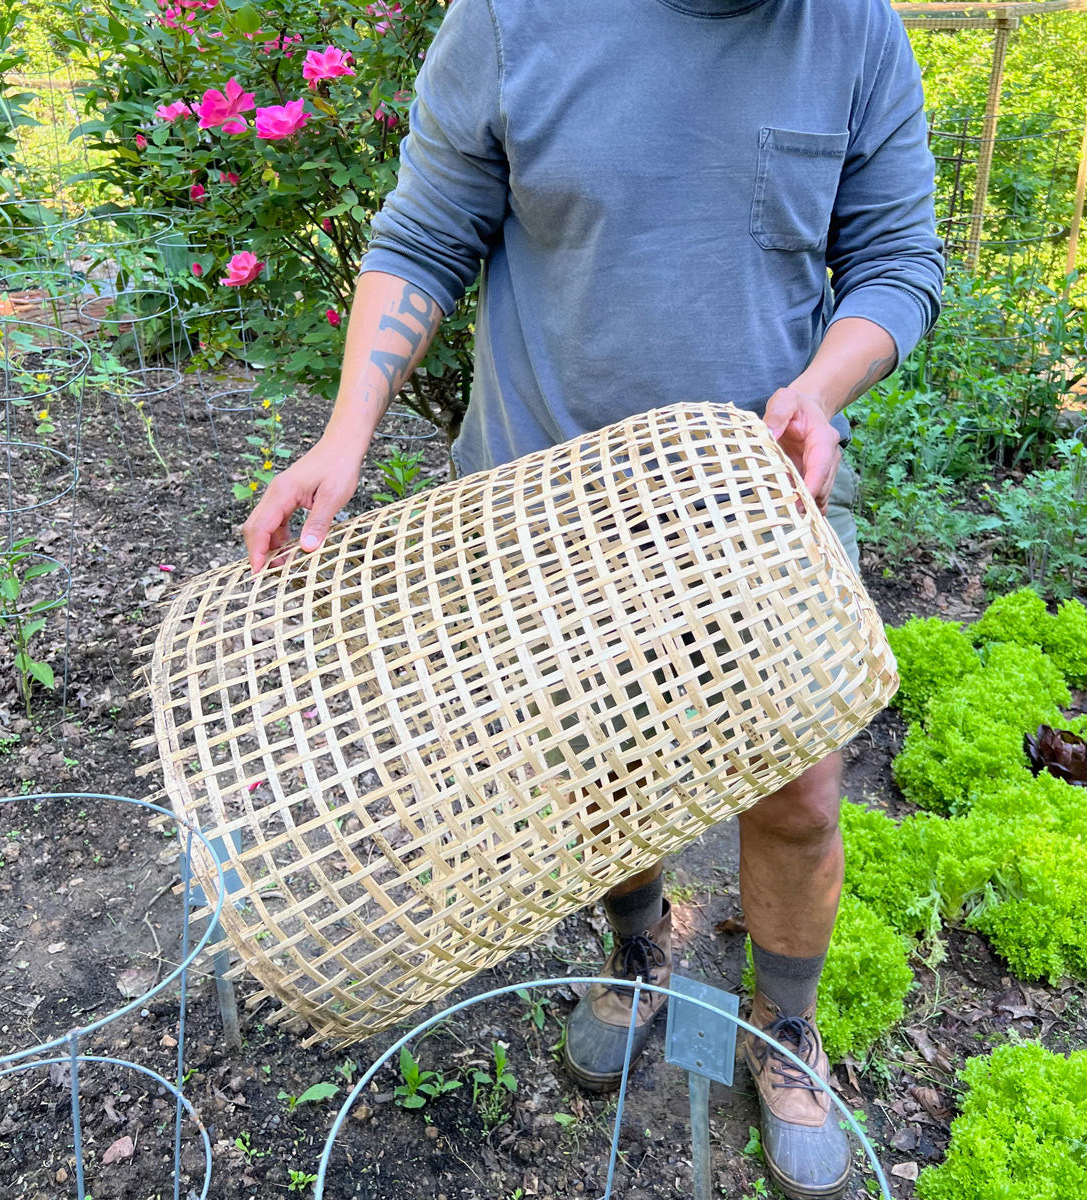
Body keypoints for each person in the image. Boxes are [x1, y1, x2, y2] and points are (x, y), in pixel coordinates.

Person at [244, 1, 943, 1195]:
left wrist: (822, 389)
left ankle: (784, 1026)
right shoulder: (514, 17)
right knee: (599, 773)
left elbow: (897, 260)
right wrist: (346, 432)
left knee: (799, 795)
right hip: (545, 505)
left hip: (758, 501)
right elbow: (425, 233)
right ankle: (637, 950)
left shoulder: (854, 28)